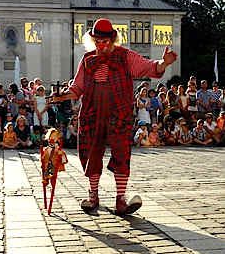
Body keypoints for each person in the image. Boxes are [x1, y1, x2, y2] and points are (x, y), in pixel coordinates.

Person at [51, 18, 177, 215]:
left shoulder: (125, 56)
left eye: (105, 41)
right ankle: (93, 196)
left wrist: (164, 63)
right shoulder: (87, 59)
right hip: (92, 111)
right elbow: (77, 88)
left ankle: (120, 199)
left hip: (118, 111)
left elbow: (149, 67)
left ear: (112, 39)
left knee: (121, 152)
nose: (101, 45)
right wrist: (62, 96)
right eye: (97, 41)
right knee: (91, 152)